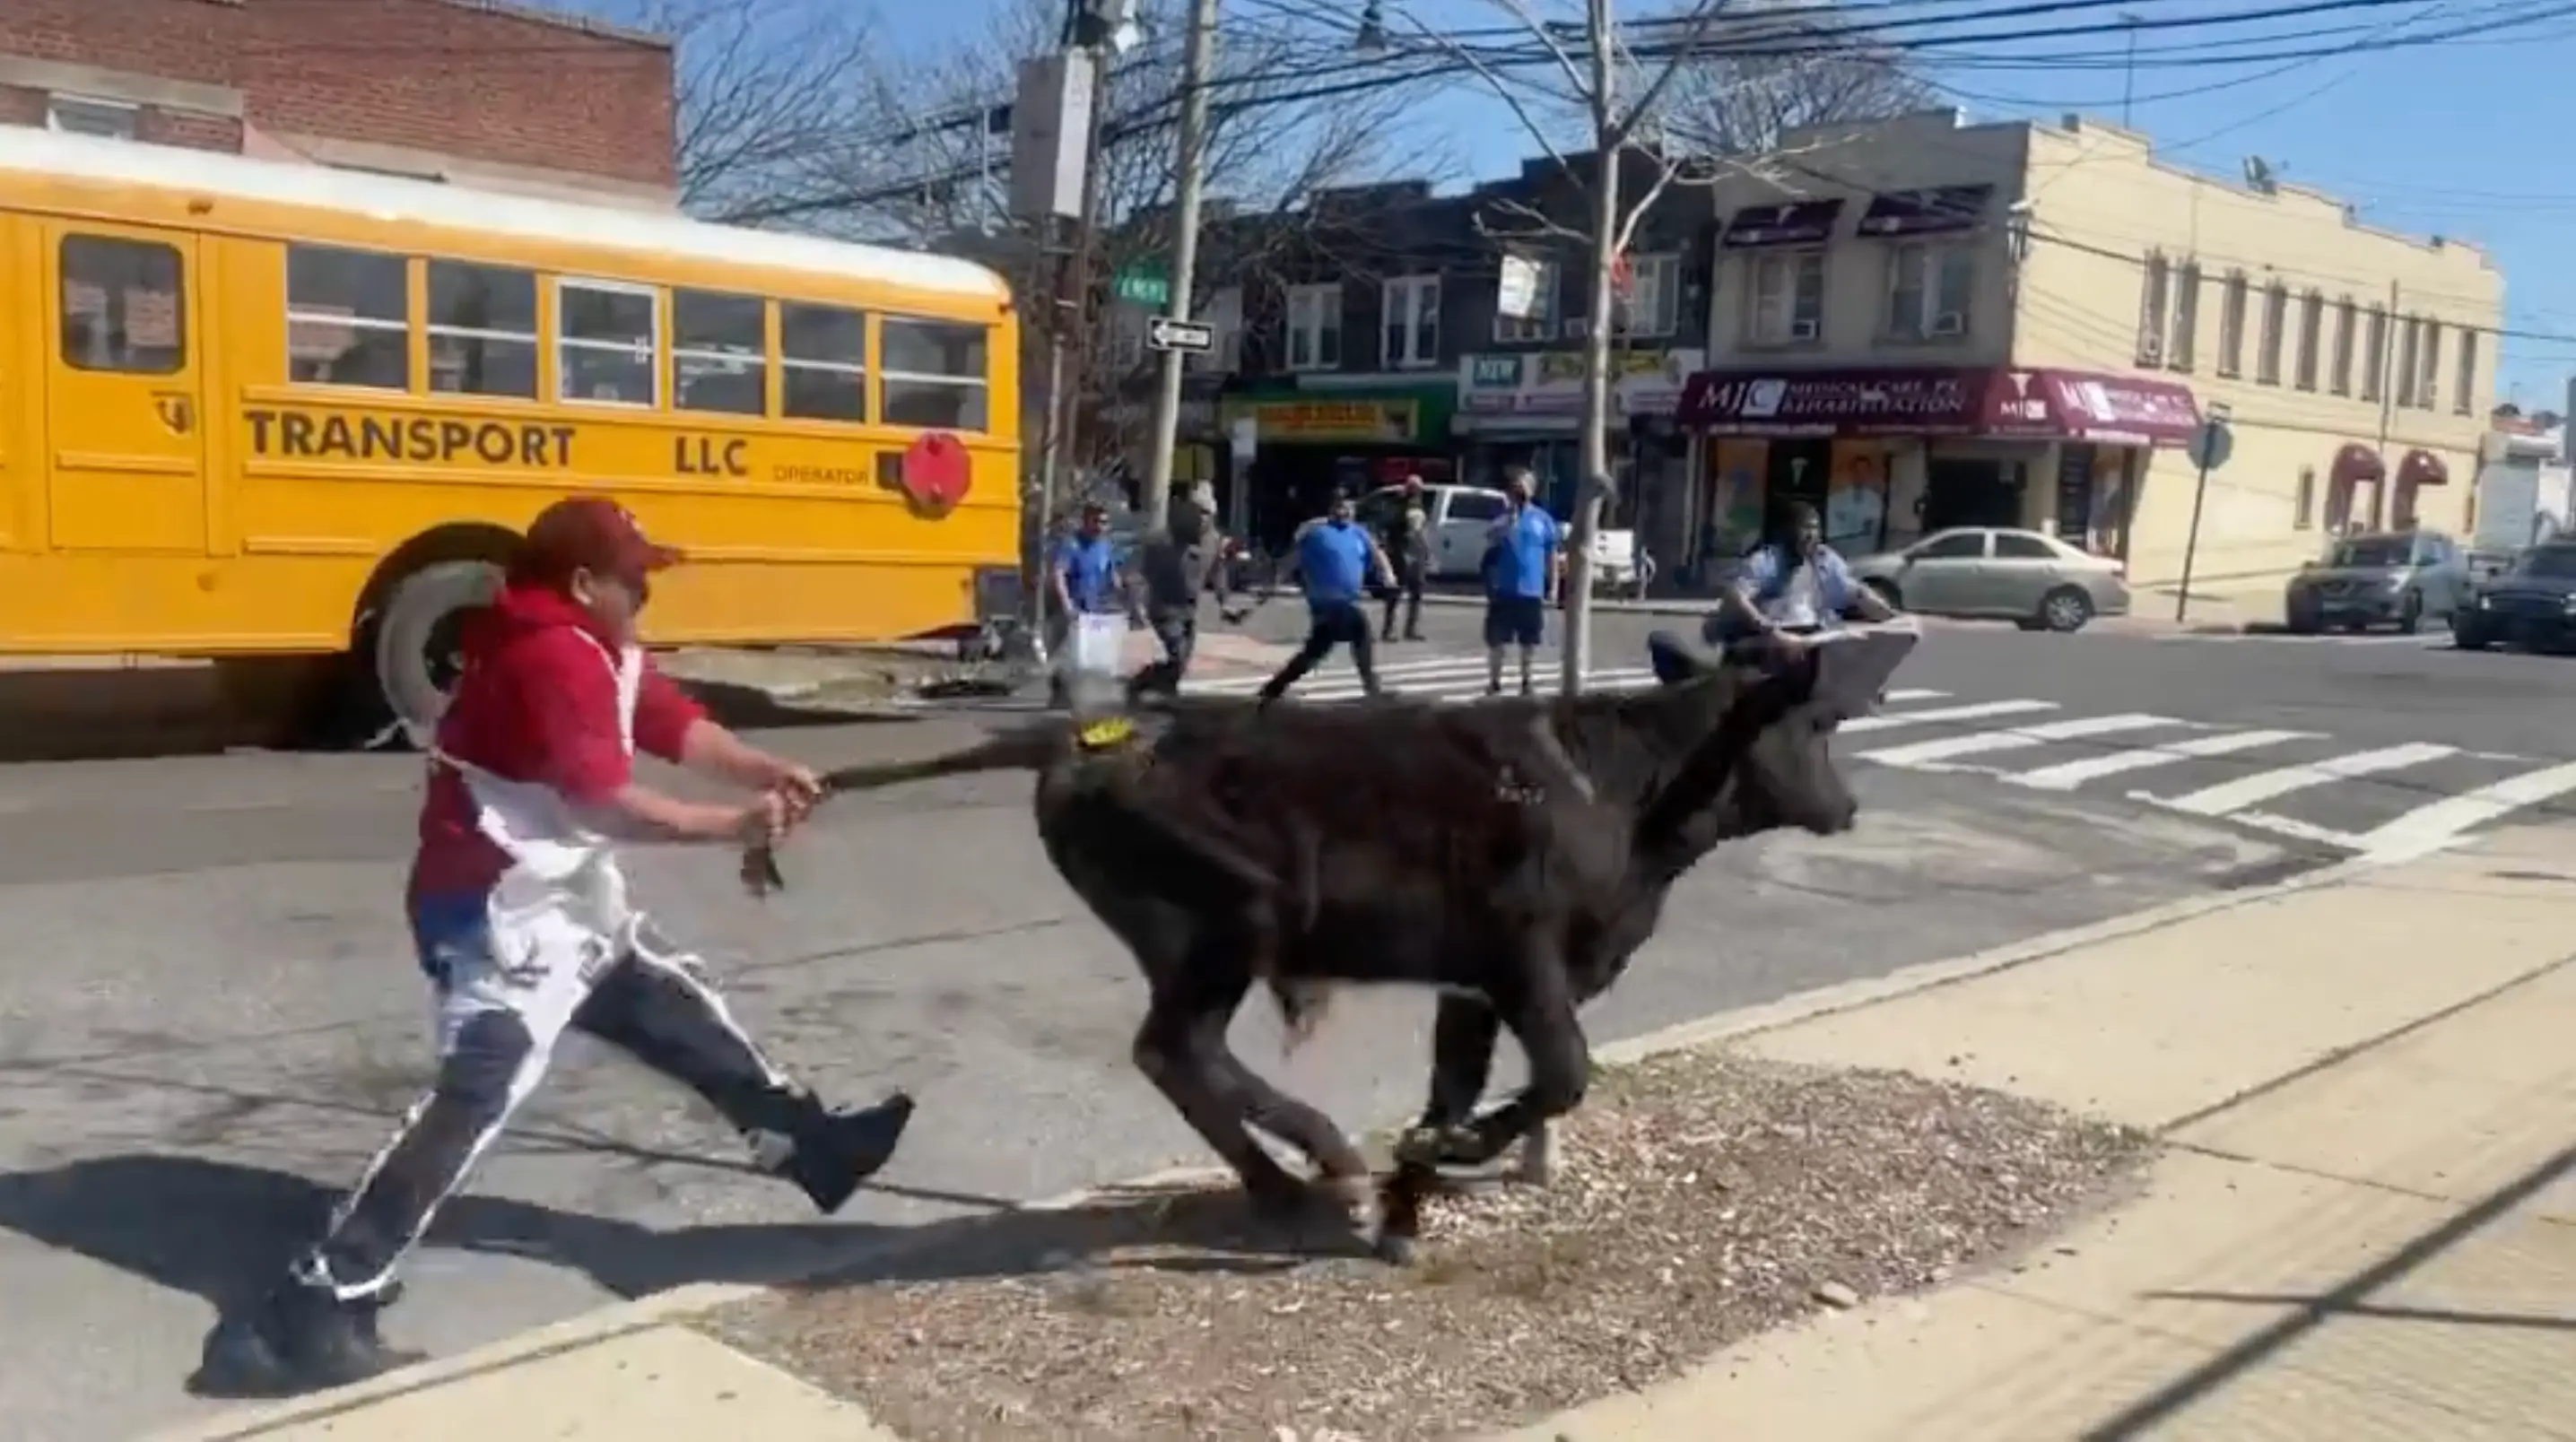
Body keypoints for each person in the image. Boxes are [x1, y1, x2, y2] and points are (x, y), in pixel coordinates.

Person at [194, 497, 917, 1397]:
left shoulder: (593, 647)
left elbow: (674, 724)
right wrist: (734, 825)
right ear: (583, 583)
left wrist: (768, 772)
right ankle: (313, 1306)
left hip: (557, 898)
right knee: (478, 1095)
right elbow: (600, 803)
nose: (648, 590)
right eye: (636, 577)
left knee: (671, 1003)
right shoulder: (547, 655)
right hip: (493, 909)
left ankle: (808, 1143)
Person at [1649, 500, 1897, 682]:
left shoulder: (1825, 561)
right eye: (1804, 528)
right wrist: (1772, 631)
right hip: (1759, 639)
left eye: (1816, 528)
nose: (1811, 535)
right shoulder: (1767, 561)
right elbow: (1736, 597)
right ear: (1788, 531)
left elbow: (1857, 593)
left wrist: (1893, 618)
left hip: (1806, 641)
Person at [1257, 490, 1397, 703]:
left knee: (1314, 652)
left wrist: (1388, 576)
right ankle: (1372, 689)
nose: (1345, 511)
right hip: (1326, 603)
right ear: (1332, 509)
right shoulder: (1317, 533)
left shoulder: (1358, 533)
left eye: (1349, 507)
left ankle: (1273, 688)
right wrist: (1273, 584)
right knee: (1360, 628)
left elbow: (1377, 553)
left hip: (1343, 602)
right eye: (1340, 506)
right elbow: (1291, 560)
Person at [1127, 484, 1232, 701]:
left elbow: (1217, 571)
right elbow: (1142, 572)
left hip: (1189, 610)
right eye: (1197, 512)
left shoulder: (1213, 540)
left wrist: (1225, 601)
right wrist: (1137, 602)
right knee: (1177, 654)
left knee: (1182, 661)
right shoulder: (1166, 539)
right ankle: (1143, 682)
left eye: (1206, 513)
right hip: (1164, 607)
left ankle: (1156, 685)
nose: (1201, 518)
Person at [1482, 468, 1562, 697]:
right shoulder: (1502, 519)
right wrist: (1510, 520)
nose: (1519, 490)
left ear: (1532, 489)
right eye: (1515, 486)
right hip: (1503, 590)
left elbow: (1551, 554)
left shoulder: (1543, 520)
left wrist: (1553, 585)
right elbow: (1490, 544)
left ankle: (1527, 681)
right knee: (1497, 640)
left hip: (1531, 589)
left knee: (1529, 640)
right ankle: (1495, 681)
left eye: (1523, 485)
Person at [1047, 500, 1126, 709]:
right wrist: (1066, 604)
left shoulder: (1105, 545)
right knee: (1064, 653)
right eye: (1097, 521)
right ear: (1086, 520)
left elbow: (1112, 574)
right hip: (1071, 606)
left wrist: (1121, 593)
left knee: (1087, 655)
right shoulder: (1072, 544)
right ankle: (1059, 694)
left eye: (1105, 522)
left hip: (1094, 608)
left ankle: (1082, 694)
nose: (1101, 526)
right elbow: (1059, 574)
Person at [1378, 475, 1433, 642]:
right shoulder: (1404, 507)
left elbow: (1419, 531)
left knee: (1411, 593)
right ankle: (1393, 630)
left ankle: (1405, 629)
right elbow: (1409, 531)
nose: (1419, 492)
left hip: (1411, 552)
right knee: (1400, 592)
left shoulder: (1412, 506)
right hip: (1405, 552)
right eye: (1416, 488)